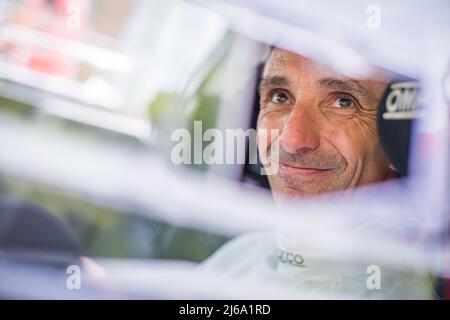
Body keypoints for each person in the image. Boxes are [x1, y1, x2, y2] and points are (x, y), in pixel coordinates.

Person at [201, 48, 435, 299]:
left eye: (343, 101)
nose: (291, 140)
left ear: (399, 140)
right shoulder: (239, 256)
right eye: (280, 97)